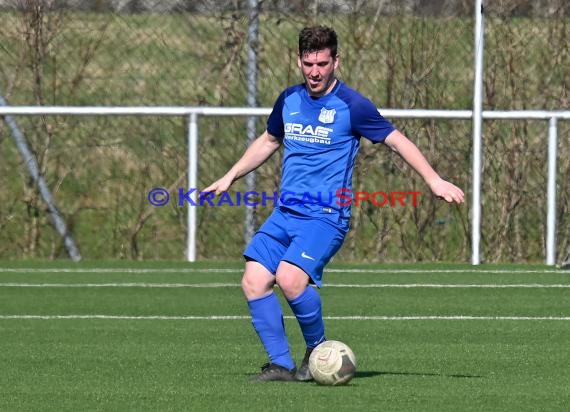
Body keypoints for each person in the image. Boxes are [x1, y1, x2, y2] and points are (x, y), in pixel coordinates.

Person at [202, 26, 465, 382]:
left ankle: (318, 352)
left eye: (322, 63)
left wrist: (433, 179)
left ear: (335, 61)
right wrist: (230, 175)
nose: (314, 71)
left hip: (326, 216)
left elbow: (396, 140)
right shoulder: (289, 100)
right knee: (253, 280)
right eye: (308, 63)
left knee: (290, 279)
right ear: (299, 61)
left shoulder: (352, 105)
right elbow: (268, 140)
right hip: (285, 213)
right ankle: (280, 364)